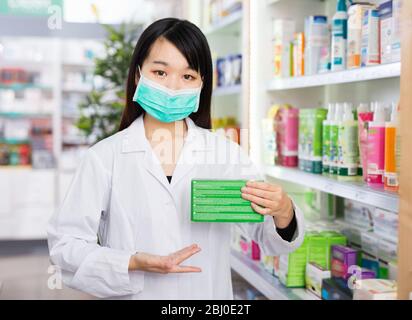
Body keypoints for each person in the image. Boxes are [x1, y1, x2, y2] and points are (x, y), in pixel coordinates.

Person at [47, 18, 305, 300]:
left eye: (187, 76)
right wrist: (131, 262)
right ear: (138, 75)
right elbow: (65, 247)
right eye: (160, 72)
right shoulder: (104, 157)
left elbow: (267, 238)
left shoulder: (225, 155)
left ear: (201, 85)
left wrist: (284, 212)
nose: (172, 87)